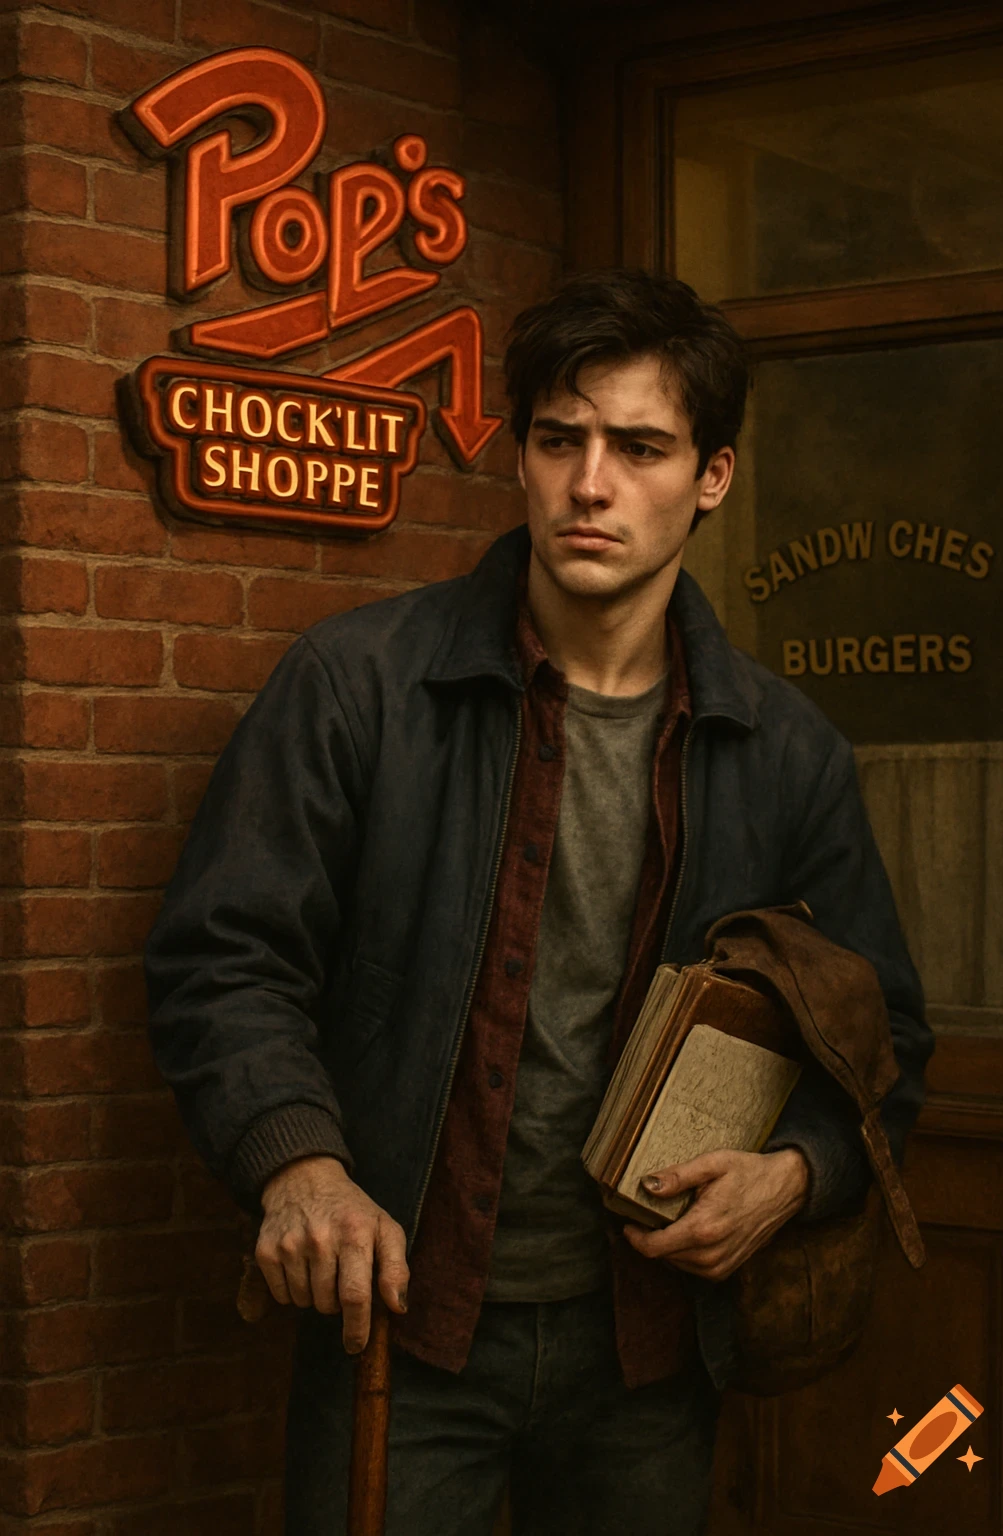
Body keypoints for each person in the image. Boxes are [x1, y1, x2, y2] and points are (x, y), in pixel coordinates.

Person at [145, 269, 931, 1536]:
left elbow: (883, 1038)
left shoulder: (784, 752)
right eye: (560, 440)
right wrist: (297, 1163)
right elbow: (223, 961)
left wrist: (797, 1174)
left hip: (649, 1348)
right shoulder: (359, 687)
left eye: (639, 446)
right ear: (519, 455)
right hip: (403, 1327)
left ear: (712, 477)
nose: (591, 483)